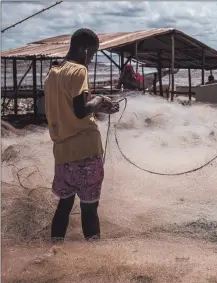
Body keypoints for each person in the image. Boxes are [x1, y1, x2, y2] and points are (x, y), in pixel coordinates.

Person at [44, 28, 119, 243]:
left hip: (62, 154)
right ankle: (93, 257)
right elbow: (80, 110)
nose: (91, 60)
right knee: (89, 208)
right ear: (84, 50)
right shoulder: (78, 70)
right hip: (85, 153)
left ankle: (55, 249)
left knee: (64, 206)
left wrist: (97, 106)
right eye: (93, 54)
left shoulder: (53, 73)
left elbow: (69, 108)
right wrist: (101, 100)